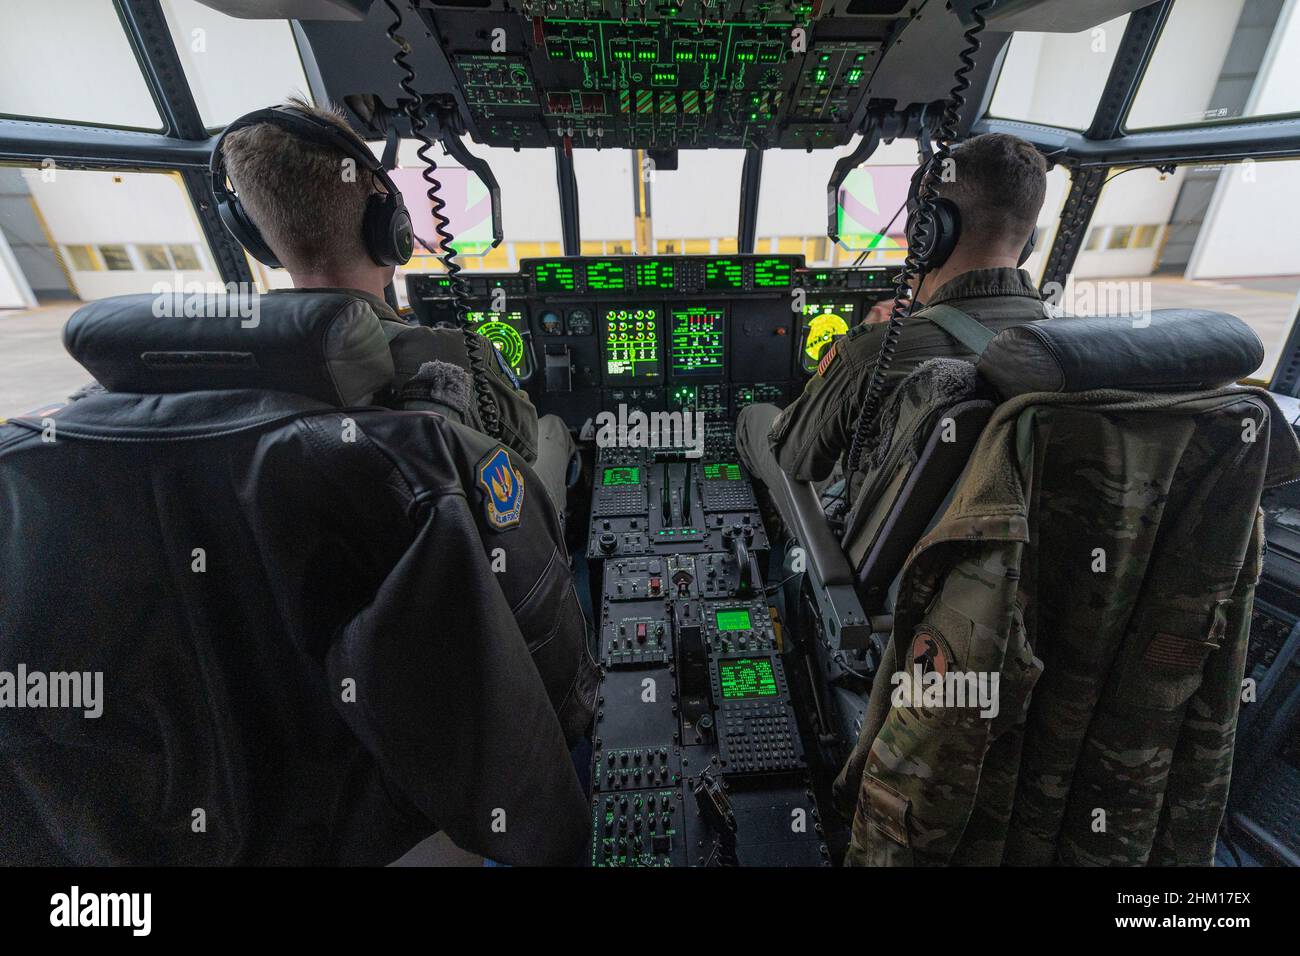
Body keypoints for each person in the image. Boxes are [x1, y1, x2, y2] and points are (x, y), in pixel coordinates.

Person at [218, 98, 575, 519]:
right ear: (393, 230)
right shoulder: (451, 356)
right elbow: (525, 447)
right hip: (467, 564)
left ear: (257, 240)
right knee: (553, 430)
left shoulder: (220, 364)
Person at [735, 133, 1055, 534]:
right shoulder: (1082, 347)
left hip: (873, 564)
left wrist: (862, 343)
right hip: (1001, 568)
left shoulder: (876, 349)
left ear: (931, 230)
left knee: (756, 418)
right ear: (1029, 241)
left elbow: (794, 457)